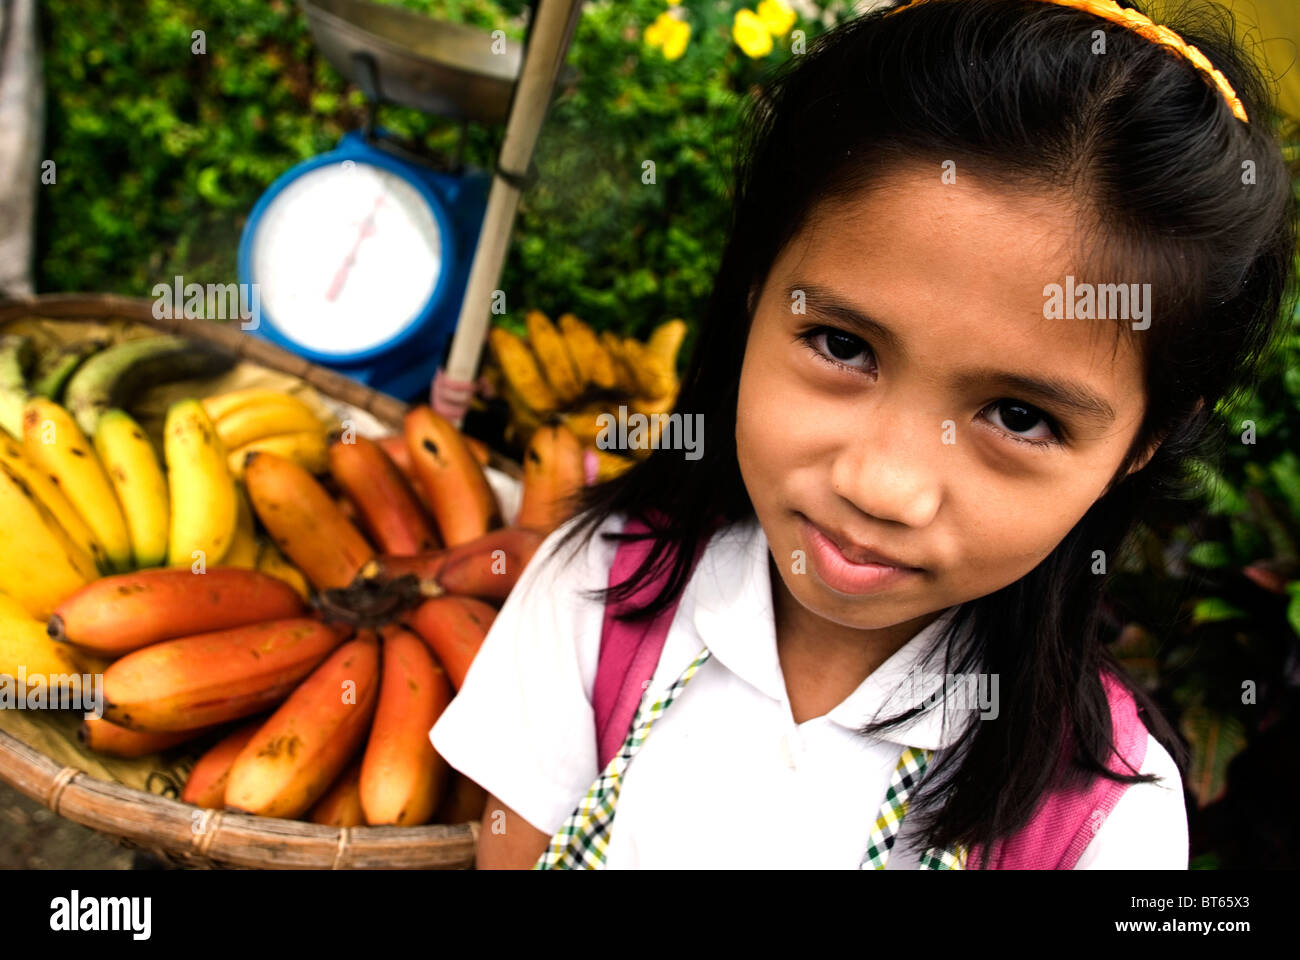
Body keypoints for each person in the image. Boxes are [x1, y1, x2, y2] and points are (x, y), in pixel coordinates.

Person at [430, 0, 1297, 869]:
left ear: (1141, 445)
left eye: (1020, 417)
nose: (882, 483)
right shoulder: (600, 589)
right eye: (843, 347)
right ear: (754, 290)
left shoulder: (1105, 830)